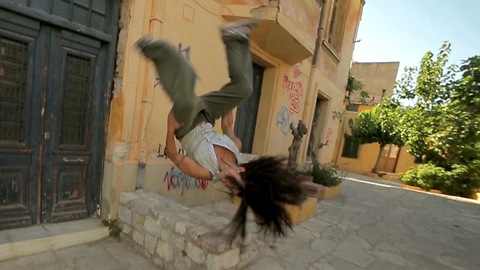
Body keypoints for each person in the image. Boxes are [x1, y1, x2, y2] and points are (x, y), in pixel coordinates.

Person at [136, 19, 306, 242]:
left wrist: (170, 130)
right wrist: (231, 99)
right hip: (207, 114)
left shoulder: (206, 172)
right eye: (233, 183)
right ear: (241, 171)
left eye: (230, 188)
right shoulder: (235, 147)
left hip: (184, 124)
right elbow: (227, 124)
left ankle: (150, 48)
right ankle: (234, 37)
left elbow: (176, 157)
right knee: (244, 88)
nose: (226, 184)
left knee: (186, 87)